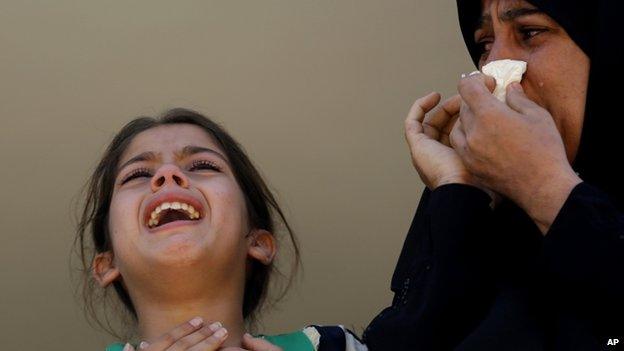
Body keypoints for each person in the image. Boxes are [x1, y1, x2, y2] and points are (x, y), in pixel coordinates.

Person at [363, 0, 624, 350]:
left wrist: (548, 192)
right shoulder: (492, 196)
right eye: (485, 43)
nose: (495, 66)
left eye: (530, 32)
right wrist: (460, 193)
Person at [73, 109, 366, 351]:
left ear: (259, 243)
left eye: (202, 165)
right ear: (107, 264)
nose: (167, 174)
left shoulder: (336, 346)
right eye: (137, 174)